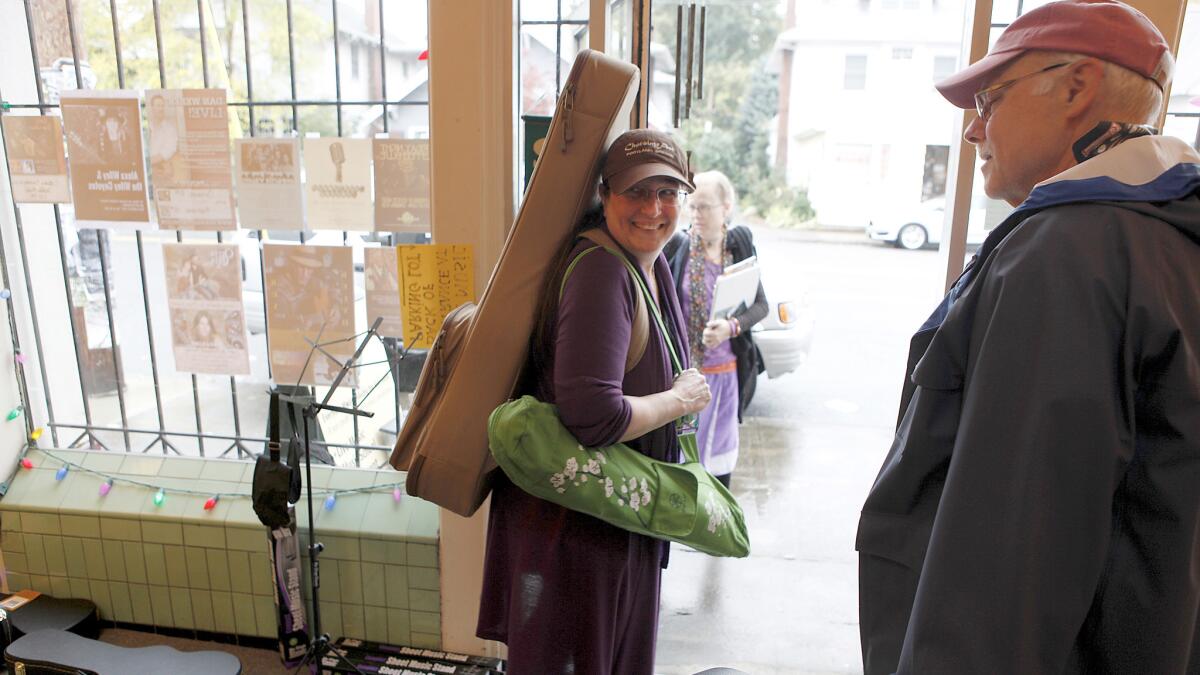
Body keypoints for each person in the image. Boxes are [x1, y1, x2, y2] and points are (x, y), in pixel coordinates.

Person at [856, 2, 1200, 673]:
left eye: (990, 98)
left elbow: (1004, 559)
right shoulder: (1167, 238)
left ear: (1076, 88)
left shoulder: (1067, 254)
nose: (973, 130)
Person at [477, 129, 712, 673]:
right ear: (605, 195)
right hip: (576, 535)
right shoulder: (604, 273)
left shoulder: (646, 263)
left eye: (668, 192)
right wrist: (678, 400)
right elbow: (594, 418)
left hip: (611, 517)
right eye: (637, 192)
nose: (654, 208)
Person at [663, 171, 767, 488]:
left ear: (726, 207)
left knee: (720, 462)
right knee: (680, 461)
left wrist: (730, 327)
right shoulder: (678, 247)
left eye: (705, 206)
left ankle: (714, 528)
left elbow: (761, 305)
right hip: (684, 377)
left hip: (724, 378)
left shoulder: (738, 250)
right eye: (692, 206)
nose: (696, 214)